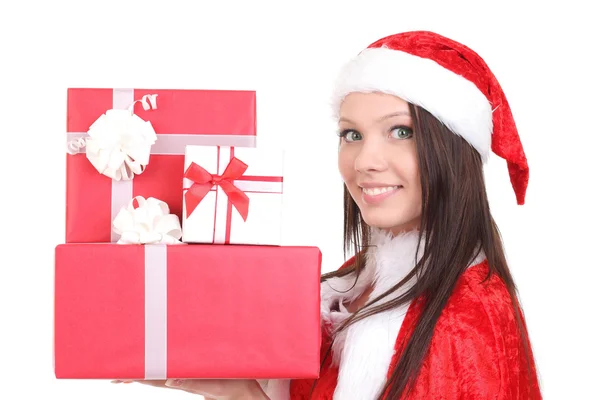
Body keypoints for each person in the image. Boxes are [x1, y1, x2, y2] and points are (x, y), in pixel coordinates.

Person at [115, 30, 543, 399]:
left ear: (454, 149)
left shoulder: (466, 323)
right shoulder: (355, 281)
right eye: (351, 134)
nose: (364, 161)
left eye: (401, 131)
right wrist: (244, 391)